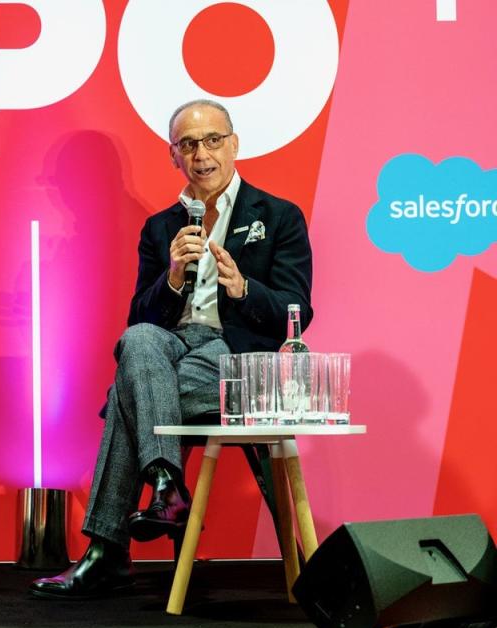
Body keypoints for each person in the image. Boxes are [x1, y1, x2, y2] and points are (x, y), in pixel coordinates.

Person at [30, 99, 313, 599]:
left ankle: (110, 548)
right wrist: (174, 278)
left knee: (128, 391)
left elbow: (296, 312)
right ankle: (166, 485)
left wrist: (244, 288)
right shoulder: (161, 227)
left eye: (212, 141)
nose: (201, 154)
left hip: (235, 358)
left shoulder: (279, 216)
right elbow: (139, 322)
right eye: (188, 144)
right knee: (138, 342)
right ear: (173, 156)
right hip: (169, 346)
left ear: (234, 144)